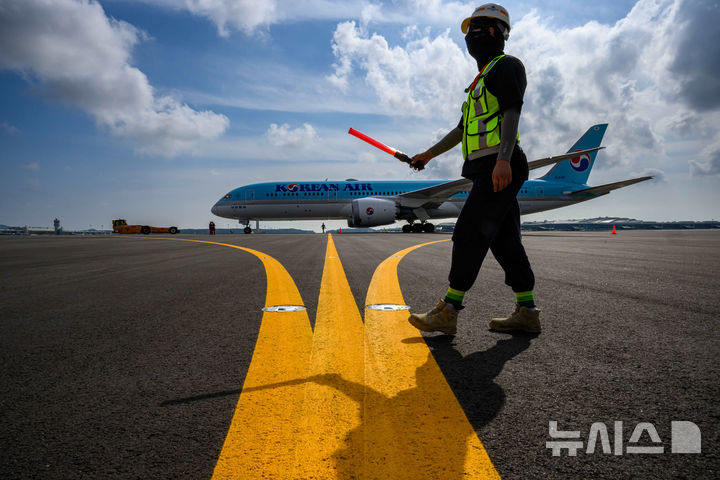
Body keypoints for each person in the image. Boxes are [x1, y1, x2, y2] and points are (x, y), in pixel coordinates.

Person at [407, 4, 540, 335]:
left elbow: (512, 112)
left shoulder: (507, 66)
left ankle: (449, 311)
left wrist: (503, 160)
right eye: (469, 30)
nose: (470, 36)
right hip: (486, 167)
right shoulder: (478, 83)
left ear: (496, 32)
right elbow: (461, 130)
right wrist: (428, 154)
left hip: (500, 164)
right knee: (505, 241)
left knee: (469, 232)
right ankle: (527, 312)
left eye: (476, 28)